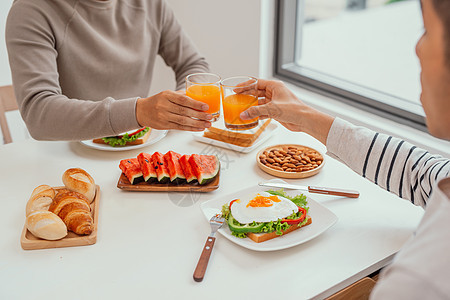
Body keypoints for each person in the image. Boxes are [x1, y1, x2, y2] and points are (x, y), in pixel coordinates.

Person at [241, 0, 450, 298]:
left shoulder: (419, 281)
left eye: (425, 30)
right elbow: (419, 172)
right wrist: (305, 116)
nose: (417, 48)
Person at [5, 0, 213, 141]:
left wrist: (183, 107)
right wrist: (138, 112)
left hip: (139, 145)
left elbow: (193, 64)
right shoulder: (31, 9)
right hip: (63, 156)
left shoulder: (151, 4)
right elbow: (39, 113)